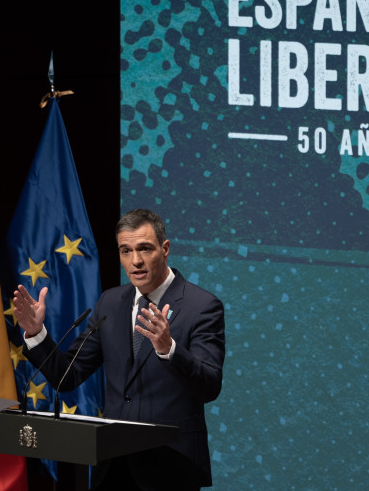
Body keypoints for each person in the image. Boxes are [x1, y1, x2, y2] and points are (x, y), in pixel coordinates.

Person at [13, 208, 226, 491]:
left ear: (165, 249)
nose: (135, 261)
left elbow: (209, 386)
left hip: (172, 468)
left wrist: (169, 349)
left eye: (144, 249)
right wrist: (35, 333)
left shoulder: (202, 306)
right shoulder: (110, 303)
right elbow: (68, 376)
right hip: (113, 467)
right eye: (125, 251)